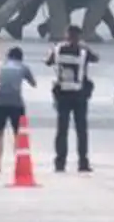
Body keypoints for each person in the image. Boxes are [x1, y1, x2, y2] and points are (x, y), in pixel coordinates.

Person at [46, 24, 96, 173]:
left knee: (62, 129)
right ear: (78, 36)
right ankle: (83, 163)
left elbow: (48, 61)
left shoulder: (57, 49)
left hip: (62, 95)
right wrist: (85, 47)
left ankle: (60, 163)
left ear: (66, 35)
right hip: (79, 95)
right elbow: (96, 58)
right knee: (81, 130)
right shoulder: (83, 51)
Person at [0, 46, 36, 174]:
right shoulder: (23, 67)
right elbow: (33, 83)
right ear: (21, 57)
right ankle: (18, 162)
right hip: (16, 104)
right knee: (18, 135)